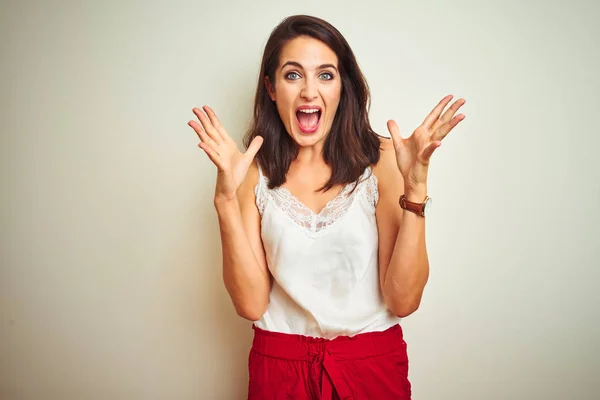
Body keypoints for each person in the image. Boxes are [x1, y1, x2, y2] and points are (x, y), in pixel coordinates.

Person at [188, 14, 465, 400]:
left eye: (325, 75)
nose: (309, 92)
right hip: (279, 372)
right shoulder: (250, 170)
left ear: (342, 86)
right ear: (270, 87)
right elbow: (251, 305)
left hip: (371, 369)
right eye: (292, 75)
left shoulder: (383, 160)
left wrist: (414, 189)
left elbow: (404, 300)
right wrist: (224, 203)